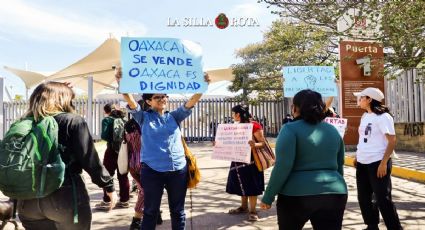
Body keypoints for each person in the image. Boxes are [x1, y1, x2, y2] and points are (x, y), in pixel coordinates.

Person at [115, 66, 210, 230]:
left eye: (164, 96)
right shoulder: (142, 117)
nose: (162, 99)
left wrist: (203, 86)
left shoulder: (175, 116)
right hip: (152, 172)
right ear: (149, 102)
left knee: (178, 211)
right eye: (157, 97)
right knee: (150, 211)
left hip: (178, 170)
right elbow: (130, 101)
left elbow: (191, 102)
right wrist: (121, 82)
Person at [17, 82, 117, 230]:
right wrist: (108, 186)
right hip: (64, 195)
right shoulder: (72, 121)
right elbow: (89, 159)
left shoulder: (24, 123)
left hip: (27, 200)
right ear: (63, 100)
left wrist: (55, 88)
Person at [260, 89, 347, 230]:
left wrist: (269, 196)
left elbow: (283, 166)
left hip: (296, 195)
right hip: (335, 192)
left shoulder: (289, 129)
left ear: (295, 108)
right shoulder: (332, 130)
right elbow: (339, 164)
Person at [353, 87, 402, 230]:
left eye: (361, 97)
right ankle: (372, 225)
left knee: (383, 198)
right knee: (364, 198)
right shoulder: (365, 116)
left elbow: (392, 141)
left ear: (369, 99)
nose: (359, 100)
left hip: (378, 162)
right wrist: (358, 155)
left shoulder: (383, 117)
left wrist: (384, 162)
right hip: (362, 162)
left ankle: (394, 227)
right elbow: (364, 138)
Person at [125, 100, 163, 230]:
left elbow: (127, 146)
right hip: (147, 163)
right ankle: (136, 220)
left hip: (133, 163)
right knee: (145, 192)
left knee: (149, 190)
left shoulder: (128, 126)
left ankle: (156, 213)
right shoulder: (147, 125)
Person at [226, 105, 265, 222]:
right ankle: (243, 207)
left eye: (234, 113)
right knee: (241, 183)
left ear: (238, 114)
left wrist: (254, 144)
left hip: (252, 161)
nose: (233, 116)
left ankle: (253, 211)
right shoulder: (235, 127)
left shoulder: (254, 125)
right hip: (238, 159)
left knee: (252, 184)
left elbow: (262, 143)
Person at [95, 104, 130, 210]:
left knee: (107, 175)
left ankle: (107, 200)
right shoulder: (124, 119)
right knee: (123, 175)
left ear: (107, 111)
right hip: (124, 150)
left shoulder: (107, 120)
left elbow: (104, 136)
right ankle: (124, 200)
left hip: (111, 151)